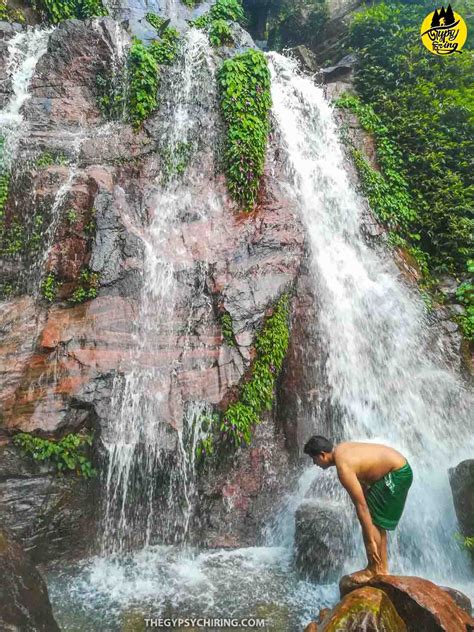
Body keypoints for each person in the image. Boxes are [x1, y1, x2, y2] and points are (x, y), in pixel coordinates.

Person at [303, 435, 413, 581]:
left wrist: (370, 543)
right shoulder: (342, 449)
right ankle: (382, 570)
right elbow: (364, 477)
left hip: (397, 473)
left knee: (372, 517)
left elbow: (361, 507)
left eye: (313, 458)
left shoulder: (343, 467)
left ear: (322, 455)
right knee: (376, 518)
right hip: (398, 468)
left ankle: (374, 568)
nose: (314, 463)